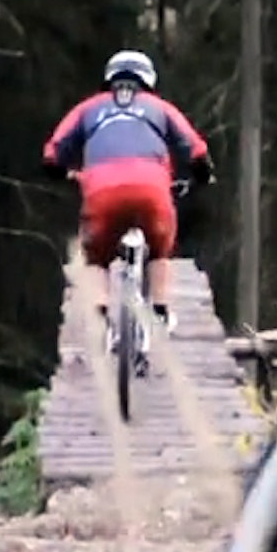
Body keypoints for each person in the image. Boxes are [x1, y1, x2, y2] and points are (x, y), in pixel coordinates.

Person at [43, 50, 214, 370]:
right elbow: (195, 148)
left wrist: (62, 172)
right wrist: (202, 174)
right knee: (160, 248)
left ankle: (100, 315)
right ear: (148, 80)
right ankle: (159, 309)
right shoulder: (160, 108)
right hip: (152, 189)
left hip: (101, 189)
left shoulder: (88, 108)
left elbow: (53, 152)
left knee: (96, 255)